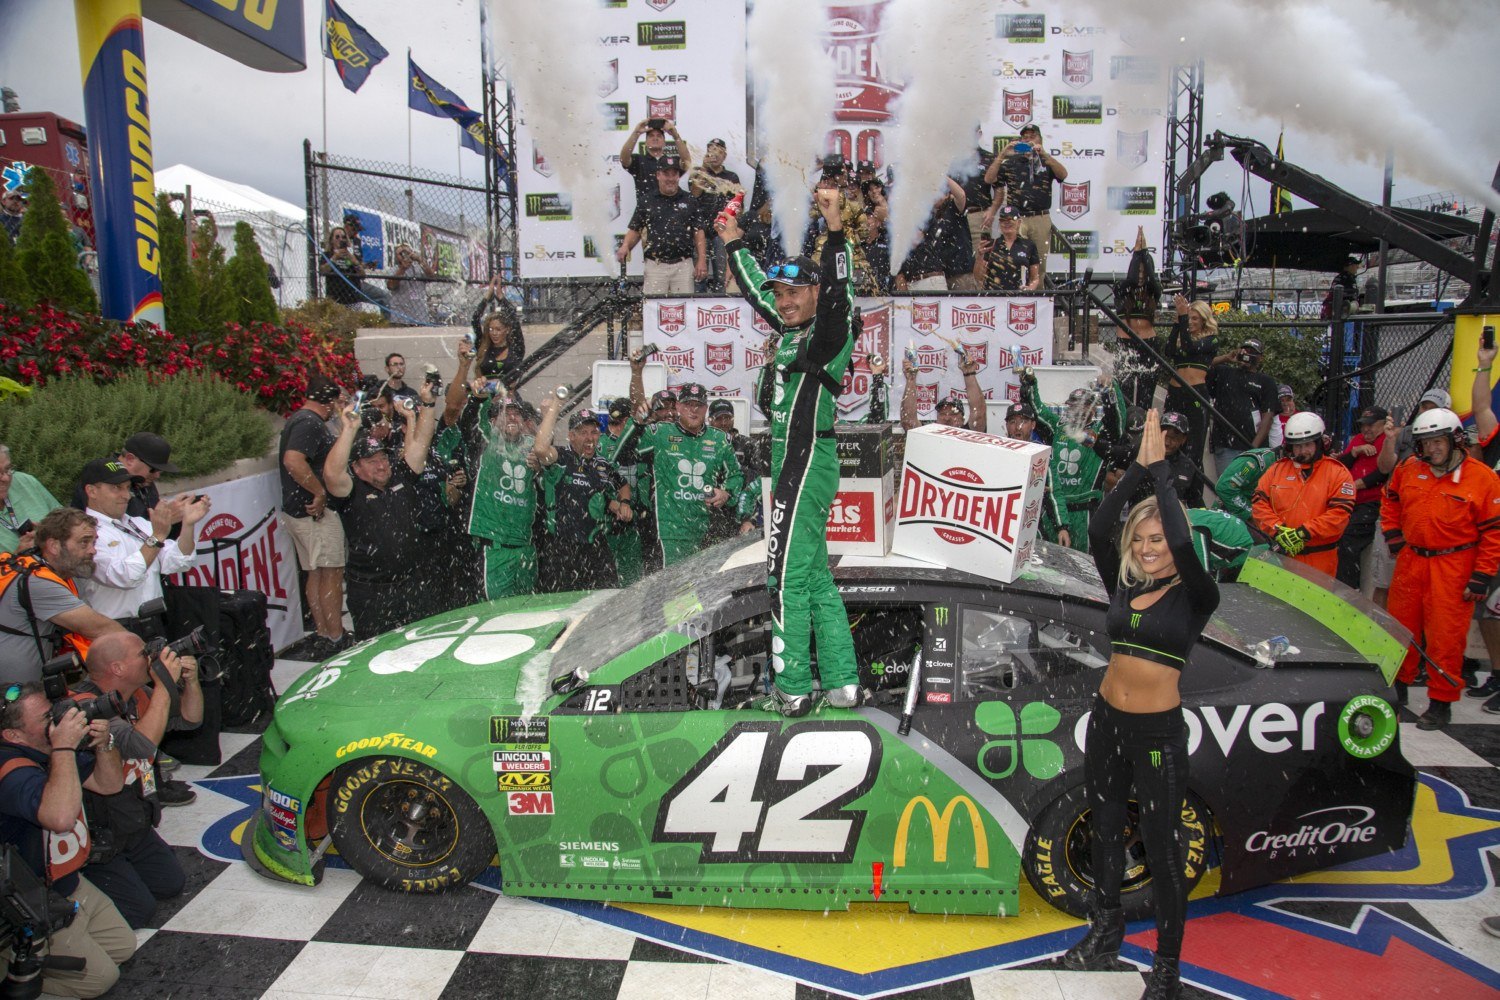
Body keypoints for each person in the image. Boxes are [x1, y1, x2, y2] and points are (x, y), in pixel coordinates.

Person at [1069, 411, 1218, 1000]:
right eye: (1141, 540)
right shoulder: (1125, 585)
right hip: (1106, 722)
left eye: (1156, 541)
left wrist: (1162, 481)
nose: (1150, 549)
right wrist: (1135, 471)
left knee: (1162, 848)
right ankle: (1104, 934)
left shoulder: (1196, 594)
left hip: (1157, 734)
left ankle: (1167, 968)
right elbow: (1098, 526)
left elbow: (1182, 537)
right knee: (1104, 833)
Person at [721, 188, 860, 716]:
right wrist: (733, 241)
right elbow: (756, 289)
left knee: (782, 579)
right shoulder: (787, 328)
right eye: (782, 293)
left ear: (816, 292)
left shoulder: (827, 333)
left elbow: (840, 297)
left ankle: (793, 690)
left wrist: (835, 229)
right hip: (797, 464)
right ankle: (844, 684)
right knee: (815, 576)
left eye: (795, 292)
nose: (784, 300)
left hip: (803, 465)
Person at [0, 682, 134, 998]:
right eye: (47, 718)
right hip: (28, 900)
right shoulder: (11, 771)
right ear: (14, 736)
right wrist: (63, 747)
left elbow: (110, 784)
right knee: (100, 980)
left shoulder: (50, 749)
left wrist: (104, 744)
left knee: (123, 946)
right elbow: (59, 818)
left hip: (64, 880)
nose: (58, 721)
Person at [1381, 407, 1500, 731]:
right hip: (1411, 560)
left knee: (1445, 637)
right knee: (1400, 631)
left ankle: (1440, 703)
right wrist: (1393, 536)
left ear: (1455, 440)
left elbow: (1494, 532)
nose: (1430, 449)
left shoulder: (1483, 478)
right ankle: (1397, 692)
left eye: (1437, 442)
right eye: (1425, 442)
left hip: (1455, 564)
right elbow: (1389, 499)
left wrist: (1481, 576)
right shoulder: (1409, 468)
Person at [75, 632, 199, 927]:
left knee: (171, 884)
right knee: (139, 912)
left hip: (132, 822)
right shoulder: (86, 709)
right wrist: (163, 686)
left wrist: (190, 683)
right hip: (99, 835)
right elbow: (142, 746)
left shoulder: (137, 695)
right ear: (117, 668)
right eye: (142, 653)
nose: (151, 658)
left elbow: (190, 719)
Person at [323, 382, 439, 640]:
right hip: (371, 593)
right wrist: (350, 428)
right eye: (371, 461)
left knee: (421, 646)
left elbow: (421, 443)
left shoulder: (401, 478)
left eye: (383, 458)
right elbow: (331, 473)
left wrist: (428, 405)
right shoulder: (351, 492)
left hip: (412, 586)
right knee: (375, 656)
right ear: (357, 467)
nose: (380, 465)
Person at [619, 378, 744, 568]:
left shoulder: (719, 440)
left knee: (704, 591)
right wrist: (636, 423)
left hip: (707, 532)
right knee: (671, 593)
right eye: (687, 404)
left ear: (706, 409)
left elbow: (736, 475)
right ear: (678, 406)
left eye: (698, 405)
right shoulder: (659, 433)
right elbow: (622, 455)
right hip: (670, 533)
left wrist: (726, 492)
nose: (693, 410)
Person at [78, 459, 210, 630]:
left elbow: (179, 562)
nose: (125, 495)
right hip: (116, 628)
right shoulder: (85, 533)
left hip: (155, 621)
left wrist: (188, 525)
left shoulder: (138, 523)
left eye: (127, 488)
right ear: (91, 491)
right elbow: (125, 577)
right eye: (116, 488)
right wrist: (157, 537)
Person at [0, 509, 124, 686]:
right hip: (14, 695)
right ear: (53, 546)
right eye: (84, 542)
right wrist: (149, 655)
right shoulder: (38, 582)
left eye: (93, 542)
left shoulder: (40, 568)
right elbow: (100, 629)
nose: (93, 550)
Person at [279, 376, 349, 658]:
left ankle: (323, 632)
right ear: (329, 401)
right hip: (313, 513)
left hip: (299, 511)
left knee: (316, 572)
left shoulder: (298, 418)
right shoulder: (310, 423)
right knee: (330, 572)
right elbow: (293, 460)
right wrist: (319, 493)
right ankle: (335, 635)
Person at [1021, 369, 1127, 552]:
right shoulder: (1058, 427)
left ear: (1093, 409)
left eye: (1083, 406)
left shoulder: (1101, 431)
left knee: (1086, 567)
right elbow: (1037, 410)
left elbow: (1118, 420)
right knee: (1050, 565)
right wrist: (1030, 383)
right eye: (1073, 406)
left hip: (1086, 512)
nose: (1077, 411)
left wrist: (1111, 391)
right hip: (1056, 512)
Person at [532, 402, 633, 591]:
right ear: (571, 436)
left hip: (595, 544)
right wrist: (552, 412)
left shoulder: (602, 463)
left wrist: (624, 503)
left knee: (606, 598)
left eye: (594, 432)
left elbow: (623, 485)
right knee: (560, 604)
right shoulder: (561, 457)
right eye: (583, 432)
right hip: (562, 546)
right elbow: (540, 449)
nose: (590, 438)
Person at [1250, 412, 1355, 577]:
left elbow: (1339, 514)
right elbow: (1258, 504)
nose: (1303, 451)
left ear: (1319, 443)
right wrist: (1278, 530)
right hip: (1282, 557)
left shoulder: (1337, 473)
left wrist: (1304, 533)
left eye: (1308, 445)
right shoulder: (1277, 470)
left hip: (1320, 560)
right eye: (1297, 446)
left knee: (1316, 602)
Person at [460, 391, 538, 599]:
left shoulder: (531, 446)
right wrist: (479, 398)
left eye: (517, 414)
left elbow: (551, 460)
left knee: (527, 610)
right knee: (496, 615)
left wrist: (541, 462)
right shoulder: (486, 440)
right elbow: (469, 420)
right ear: (493, 421)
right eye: (506, 413)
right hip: (494, 548)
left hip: (525, 547)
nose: (512, 417)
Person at [987, 123, 1068, 278]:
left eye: (1033, 137)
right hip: (1016, 220)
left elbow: (1063, 174)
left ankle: (1039, 297)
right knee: (1014, 262)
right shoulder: (1011, 162)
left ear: (1041, 140)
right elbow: (989, 179)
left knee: (1040, 266)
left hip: (1040, 218)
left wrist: (1043, 154)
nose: (1029, 140)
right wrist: (1003, 154)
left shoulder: (1046, 161)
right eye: (1025, 138)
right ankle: (1015, 297)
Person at [617, 155, 707, 295]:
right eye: (666, 174)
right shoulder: (646, 200)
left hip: (683, 265)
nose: (670, 178)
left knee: (684, 308)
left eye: (674, 174)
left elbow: (698, 232)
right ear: (658, 175)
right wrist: (625, 246)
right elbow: (635, 228)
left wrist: (702, 259)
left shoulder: (690, 200)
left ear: (678, 176)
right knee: (654, 308)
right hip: (655, 266)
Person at [1336, 407, 1391, 590]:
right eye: (1363, 426)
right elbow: (1340, 465)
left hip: (1372, 503)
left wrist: (1353, 485)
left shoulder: (1387, 440)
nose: (1366, 429)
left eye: (1371, 425)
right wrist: (1355, 451)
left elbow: (1382, 473)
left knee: (1349, 538)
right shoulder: (1359, 440)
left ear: (1384, 424)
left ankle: (1348, 588)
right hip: (1350, 500)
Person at [1205, 338, 1277, 476]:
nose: (1247, 354)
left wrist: (1252, 450)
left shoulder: (1266, 382)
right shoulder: (1223, 372)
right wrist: (1226, 358)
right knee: (1228, 488)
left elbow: (1267, 418)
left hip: (1252, 447)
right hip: (1226, 446)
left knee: (1252, 491)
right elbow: (1200, 366)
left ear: (1260, 358)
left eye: (1252, 352)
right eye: (1244, 350)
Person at [1165, 296, 1221, 470]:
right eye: (1189, 318)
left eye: (1194, 318)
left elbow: (1191, 348)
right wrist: (1177, 324)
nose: (1190, 322)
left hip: (1195, 393)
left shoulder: (1212, 339)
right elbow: (1169, 351)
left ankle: (1193, 492)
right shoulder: (1184, 336)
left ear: (1204, 320)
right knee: (1167, 437)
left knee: (1194, 446)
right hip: (1175, 392)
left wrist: (1182, 318)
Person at [1113, 229, 1164, 410]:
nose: (1141, 275)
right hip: (1126, 346)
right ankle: (1124, 434)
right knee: (1124, 396)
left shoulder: (1153, 291)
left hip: (1148, 346)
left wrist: (1144, 254)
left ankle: (1143, 432)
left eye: (1144, 271)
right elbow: (1133, 279)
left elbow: (1151, 279)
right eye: (1138, 270)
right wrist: (1137, 253)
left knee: (1145, 398)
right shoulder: (1122, 289)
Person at [597, 398, 645, 586]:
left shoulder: (641, 441)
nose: (616, 427)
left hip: (635, 519)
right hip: (608, 519)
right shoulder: (600, 443)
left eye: (621, 422)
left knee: (633, 579)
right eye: (613, 423)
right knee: (607, 578)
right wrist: (610, 503)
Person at [894, 178, 968, 292]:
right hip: (917, 279)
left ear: (947, 194)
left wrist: (941, 174)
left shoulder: (951, 208)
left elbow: (961, 195)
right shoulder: (922, 214)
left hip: (942, 276)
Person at [706, 401, 765, 543]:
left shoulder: (748, 444)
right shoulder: (703, 443)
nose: (724, 422)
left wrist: (749, 518)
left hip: (740, 514)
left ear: (733, 418)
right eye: (718, 418)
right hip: (710, 512)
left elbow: (758, 485)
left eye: (727, 418)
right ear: (710, 420)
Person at [689, 138, 742, 293]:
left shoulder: (732, 177)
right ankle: (697, 308)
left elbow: (738, 204)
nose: (715, 155)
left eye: (718, 151)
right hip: (701, 231)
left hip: (722, 231)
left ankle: (721, 306)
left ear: (724, 155)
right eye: (711, 151)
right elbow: (693, 195)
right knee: (699, 275)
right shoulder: (699, 173)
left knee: (722, 276)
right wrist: (704, 170)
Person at [901, 350, 987, 432]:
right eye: (942, 414)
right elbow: (908, 422)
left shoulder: (970, 433)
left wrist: (969, 373)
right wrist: (910, 380)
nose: (947, 418)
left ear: (963, 420)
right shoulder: (928, 433)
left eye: (953, 414)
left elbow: (979, 414)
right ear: (937, 418)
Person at [0, 443, 60, 554]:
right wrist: (16, 558)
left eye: (7, 469)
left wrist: (48, 530)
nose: (5, 478)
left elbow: (68, 522)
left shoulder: (24, 481)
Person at [1377, 388, 1452, 474]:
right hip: (1404, 484)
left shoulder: (1450, 435)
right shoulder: (1405, 432)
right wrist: (1390, 439)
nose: (1426, 412)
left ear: (1446, 411)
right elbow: (1384, 469)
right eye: (1424, 407)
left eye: (1432, 408)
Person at [619, 117, 691, 200]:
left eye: (659, 136)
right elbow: (623, 159)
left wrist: (676, 136)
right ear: (645, 142)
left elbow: (687, 162)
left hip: (671, 209)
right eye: (651, 136)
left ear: (664, 142)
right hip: (646, 209)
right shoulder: (638, 160)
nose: (655, 138)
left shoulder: (673, 161)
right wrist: (636, 133)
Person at [973, 205, 1041, 291]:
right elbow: (978, 277)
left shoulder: (1029, 245)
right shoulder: (991, 245)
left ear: (1019, 222)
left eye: (1010, 220)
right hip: (994, 296)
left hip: (1019, 297)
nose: (1006, 223)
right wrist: (980, 256)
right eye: (1003, 220)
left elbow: (1035, 278)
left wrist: (1029, 290)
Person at [470, 298, 527, 389]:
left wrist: (502, 299)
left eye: (498, 329)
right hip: (485, 394)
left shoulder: (516, 349)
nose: (494, 333)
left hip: (507, 395)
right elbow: (475, 319)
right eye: (491, 329)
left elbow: (515, 322)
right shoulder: (483, 346)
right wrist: (486, 298)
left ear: (507, 330)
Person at [1213, 447, 1277, 528]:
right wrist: (1252, 515)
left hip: (1266, 520)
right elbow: (1225, 487)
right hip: (1231, 519)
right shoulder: (1255, 461)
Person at [384, 243, 436, 325]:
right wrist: (403, 268)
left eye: (407, 253)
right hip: (400, 316)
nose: (404, 255)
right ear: (396, 256)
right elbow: (391, 286)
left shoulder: (419, 268)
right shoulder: (393, 270)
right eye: (401, 254)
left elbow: (432, 277)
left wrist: (419, 259)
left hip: (420, 316)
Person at [1320, 255, 1363, 320]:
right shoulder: (1349, 278)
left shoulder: (1338, 277)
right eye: (1355, 265)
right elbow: (1350, 297)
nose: (1357, 267)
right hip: (1342, 312)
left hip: (1333, 310)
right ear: (1349, 266)